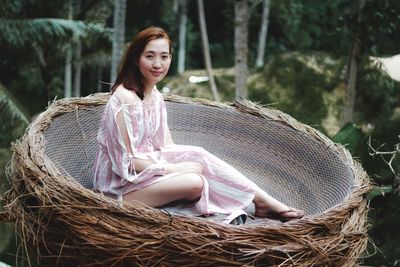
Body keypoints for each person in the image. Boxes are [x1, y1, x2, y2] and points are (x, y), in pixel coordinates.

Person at [93, 26, 304, 222]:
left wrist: (190, 161)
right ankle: (258, 201)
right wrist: (175, 168)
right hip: (120, 188)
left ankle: (262, 200)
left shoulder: (154, 94)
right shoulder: (126, 100)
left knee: (199, 155)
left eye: (164, 57)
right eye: (150, 56)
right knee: (195, 182)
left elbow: (165, 146)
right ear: (135, 59)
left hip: (146, 172)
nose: (158, 64)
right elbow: (128, 162)